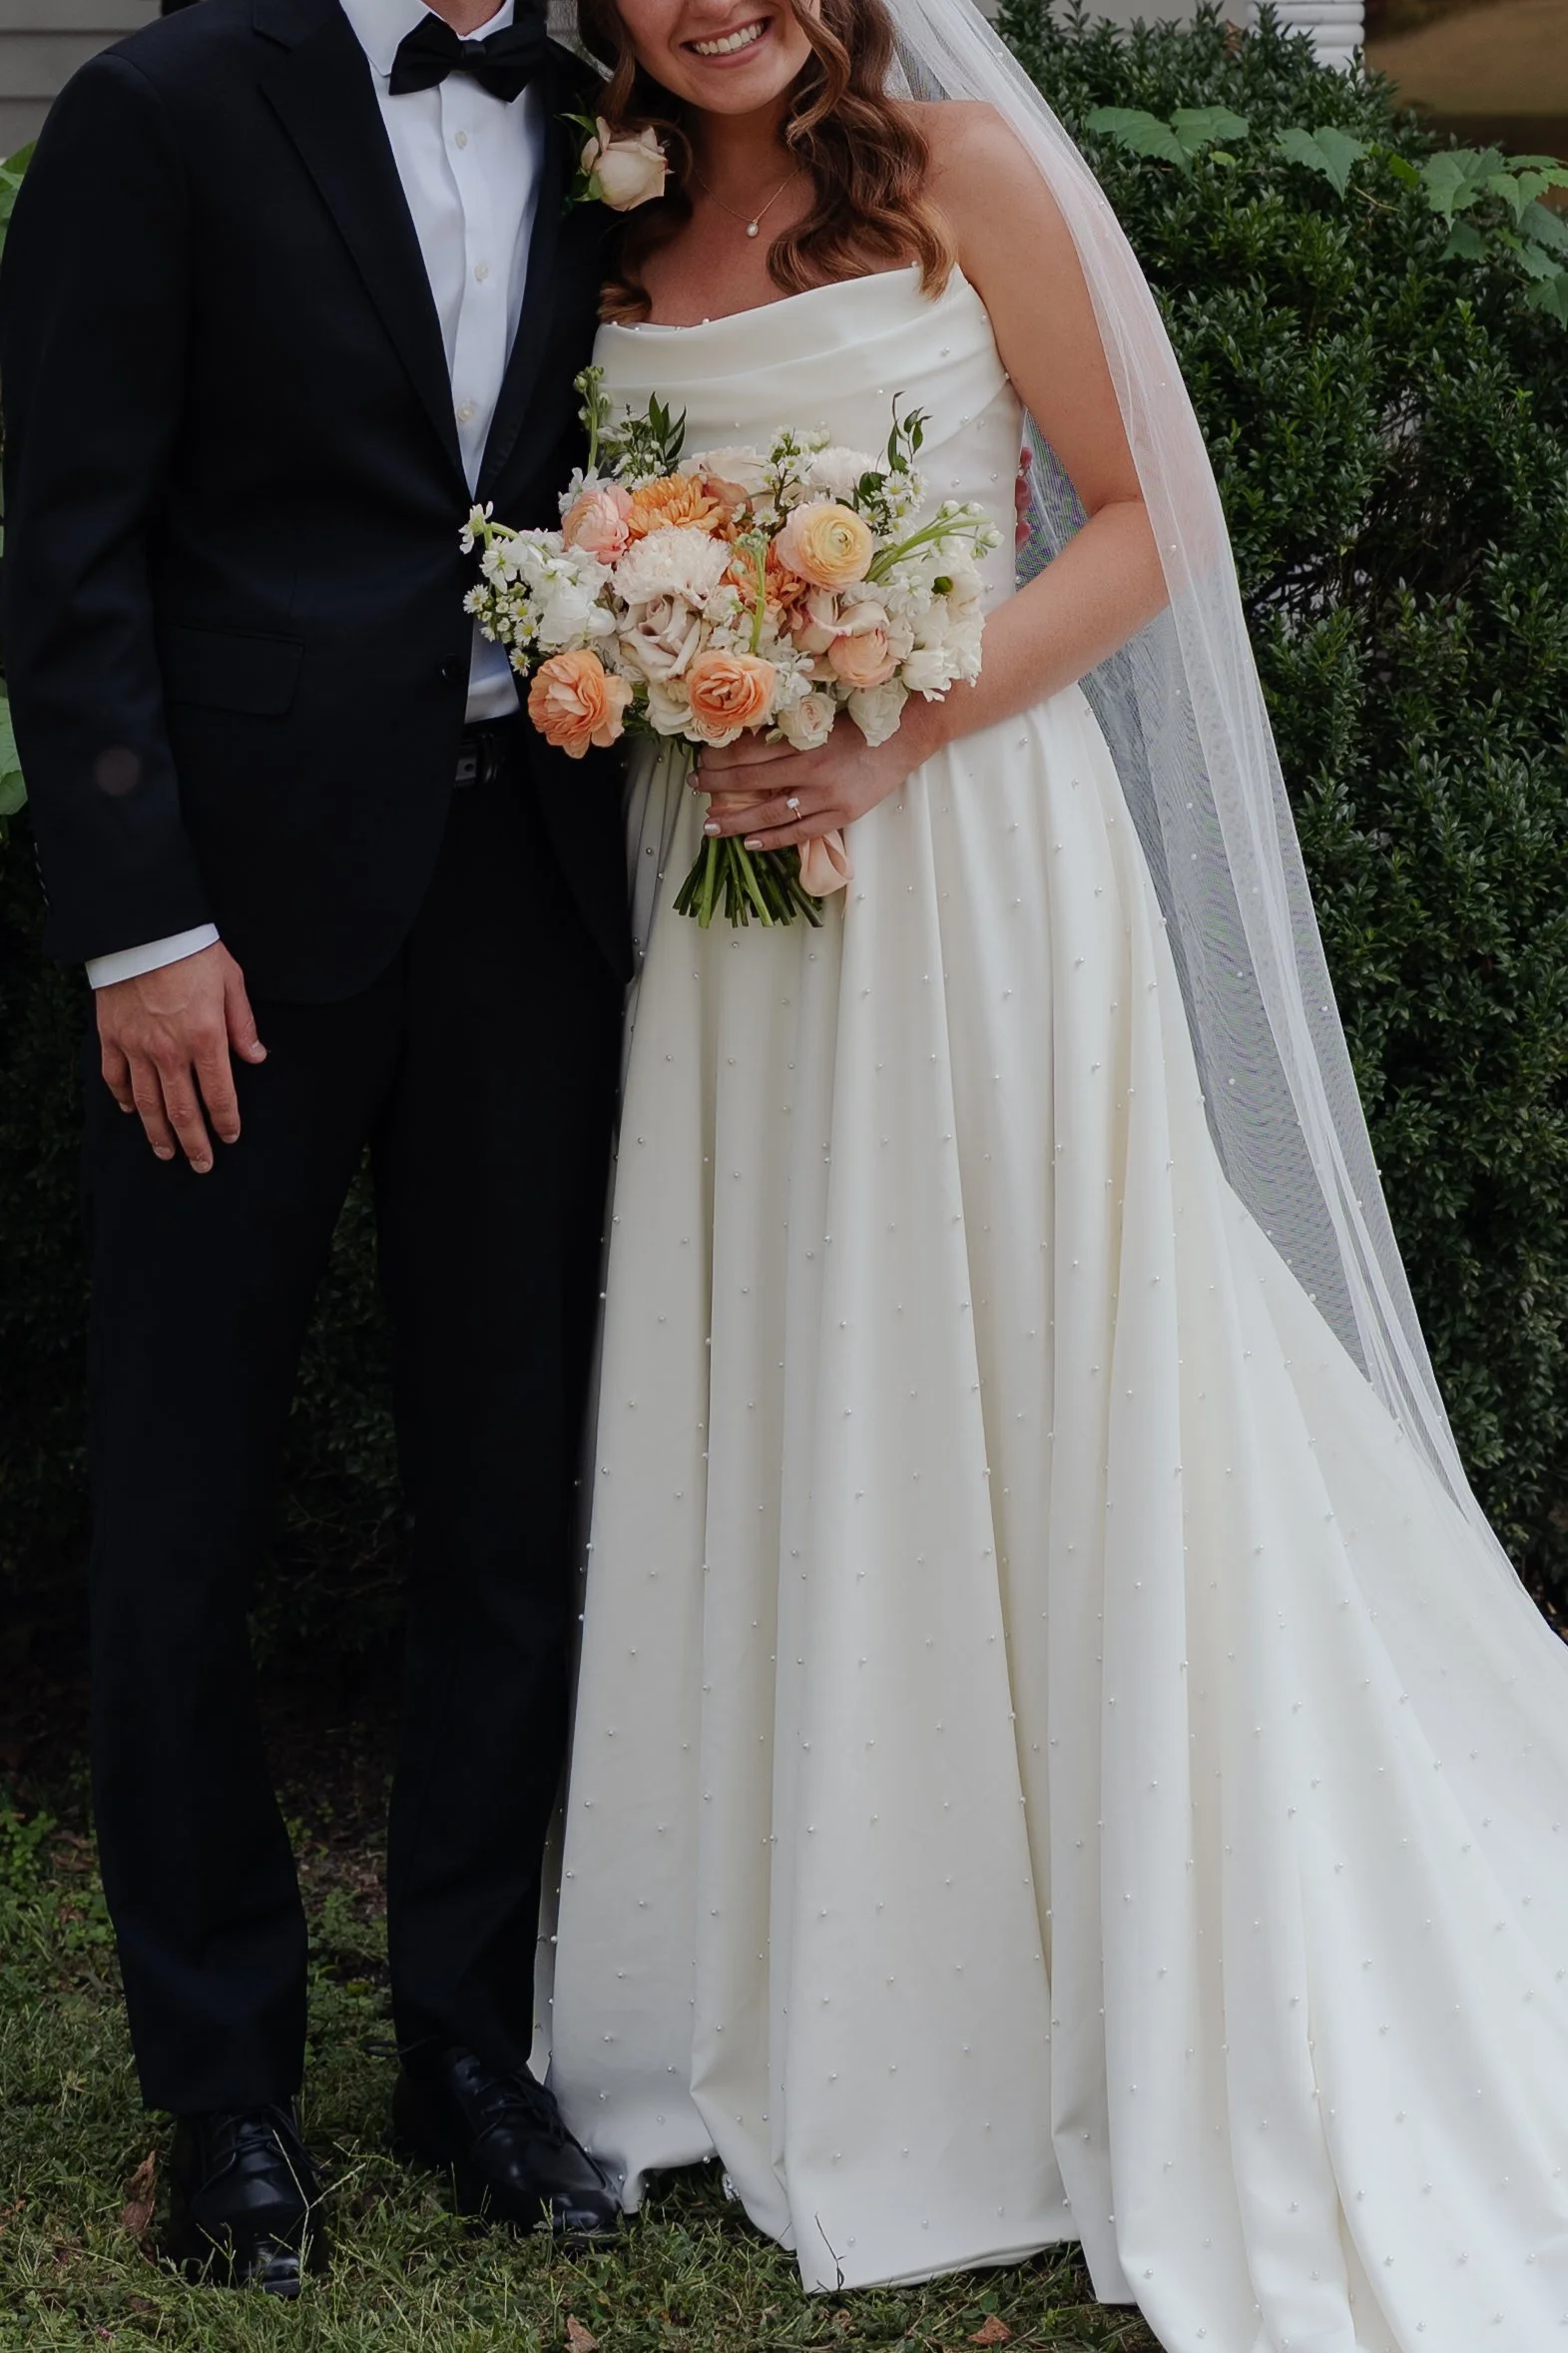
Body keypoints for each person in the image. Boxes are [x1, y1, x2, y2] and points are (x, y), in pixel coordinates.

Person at [541, 5, 1568, 2349]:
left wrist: (889, 727)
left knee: (1022, 1335)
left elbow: (1147, 526)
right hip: (716, 905)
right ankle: (810, 1954)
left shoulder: (951, 178)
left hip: (970, 855)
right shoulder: (603, 240)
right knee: (785, 1343)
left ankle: (1045, 1990)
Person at [0, 0, 631, 2294]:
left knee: (506, 1496)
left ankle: (465, 2040)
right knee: (184, 1500)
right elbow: (67, 546)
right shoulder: (160, 107)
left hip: (530, 904)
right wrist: (139, 918)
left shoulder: (603, 124)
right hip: (231, 925)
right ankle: (222, 2078)